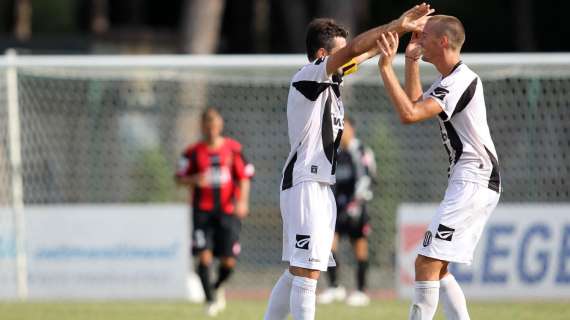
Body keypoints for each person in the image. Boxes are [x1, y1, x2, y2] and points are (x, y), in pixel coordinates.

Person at [263, 4, 433, 320]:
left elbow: (361, 53)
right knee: (307, 273)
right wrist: (396, 23)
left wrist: (395, 40)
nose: (347, 59)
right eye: (339, 53)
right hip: (305, 183)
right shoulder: (311, 74)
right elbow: (356, 48)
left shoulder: (331, 79)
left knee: (298, 271)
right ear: (321, 53)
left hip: (319, 186)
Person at [376, 15, 501, 320]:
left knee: (425, 263)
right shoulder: (450, 80)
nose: (417, 38)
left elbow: (410, 114)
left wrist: (384, 67)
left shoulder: (461, 81)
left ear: (443, 42)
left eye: (424, 35)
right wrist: (410, 61)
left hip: (474, 179)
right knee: (439, 269)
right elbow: (417, 101)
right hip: (470, 180)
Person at [175, 107, 254, 317]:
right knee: (204, 257)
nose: (211, 130)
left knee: (228, 262)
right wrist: (193, 179)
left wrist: (243, 202)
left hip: (227, 212)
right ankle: (210, 300)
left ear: (220, 126)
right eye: (207, 126)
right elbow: (179, 177)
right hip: (202, 213)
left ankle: (217, 286)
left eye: (215, 125)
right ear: (202, 127)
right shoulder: (192, 152)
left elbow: (244, 177)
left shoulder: (233, 149)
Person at [317, 116, 376, 307]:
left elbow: (368, 178)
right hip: (338, 208)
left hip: (357, 208)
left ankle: (361, 290)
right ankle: (335, 287)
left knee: (359, 247)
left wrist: (356, 203)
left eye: (344, 127)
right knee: (329, 245)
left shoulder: (361, 151)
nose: (340, 132)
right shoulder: (336, 153)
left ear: (352, 129)